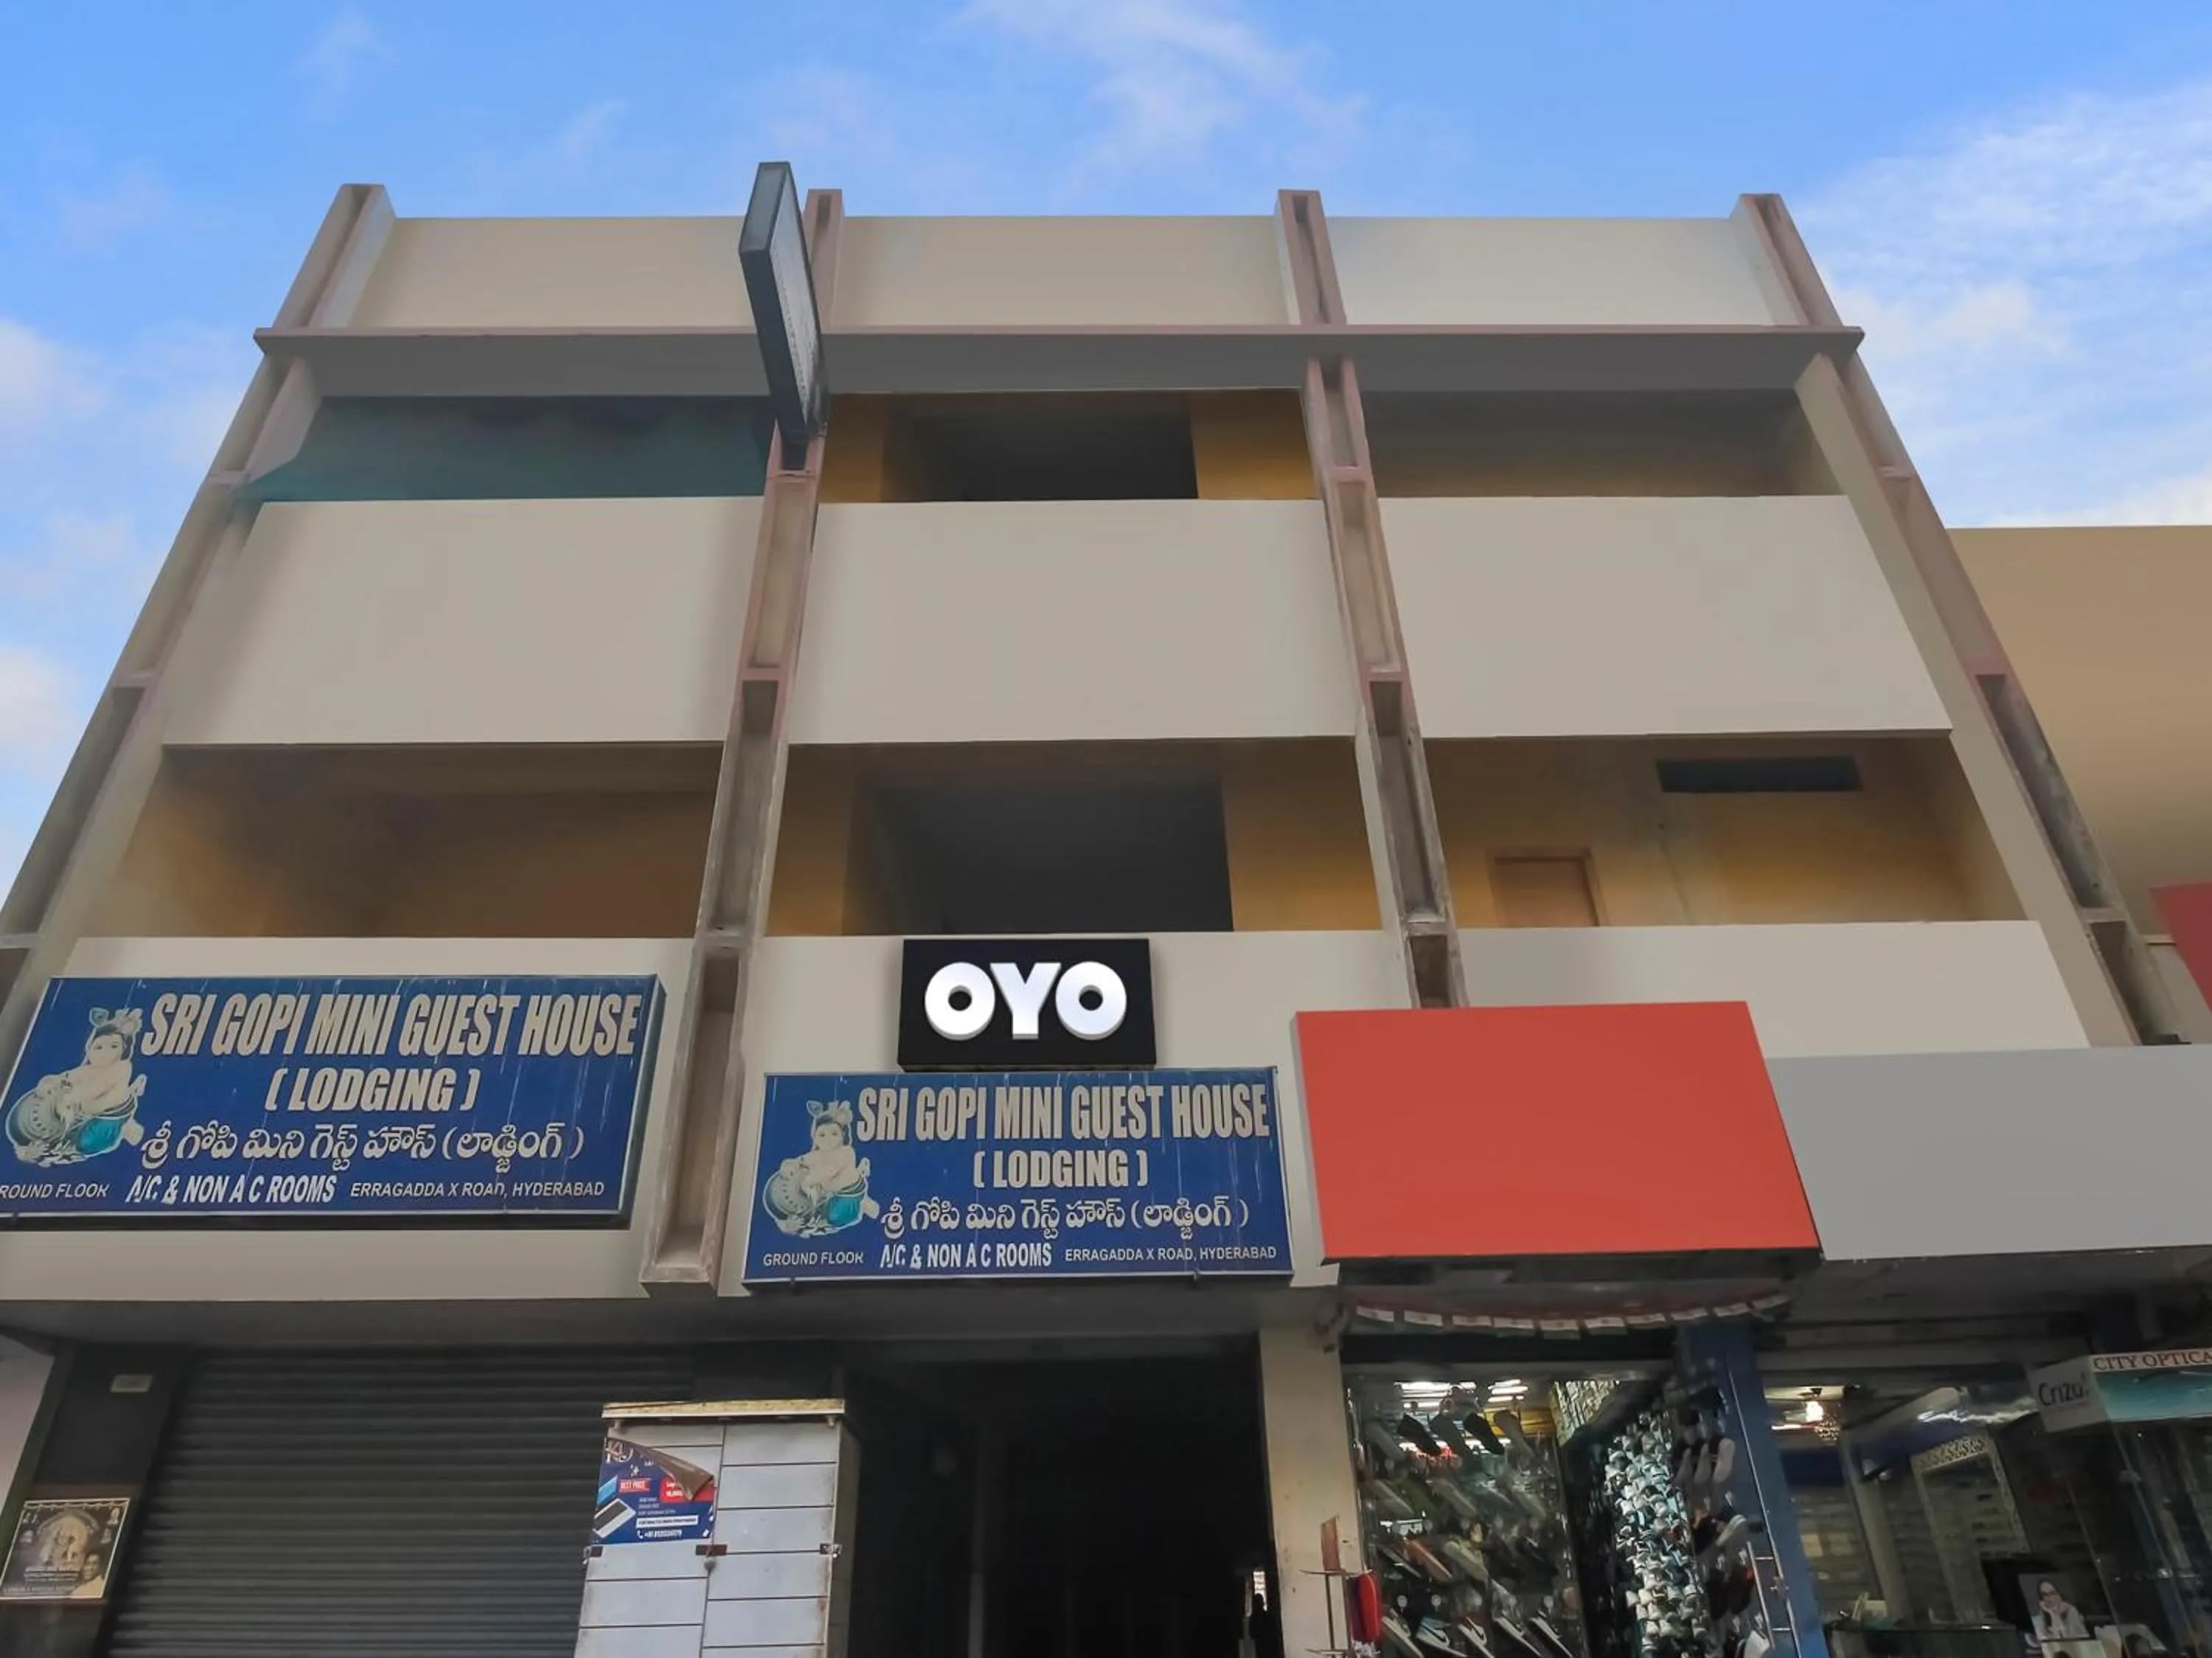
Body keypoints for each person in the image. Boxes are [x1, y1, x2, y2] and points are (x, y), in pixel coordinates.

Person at [2032, 1580, 2090, 1645]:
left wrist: (2057, 1615)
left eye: (2053, 1593)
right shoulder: (2038, 1620)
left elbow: (2071, 1641)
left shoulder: (2071, 1611)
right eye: (2045, 1595)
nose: (2050, 1598)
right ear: (2041, 1599)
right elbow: (2055, 1644)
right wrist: (2053, 1614)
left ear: (2059, 1595)